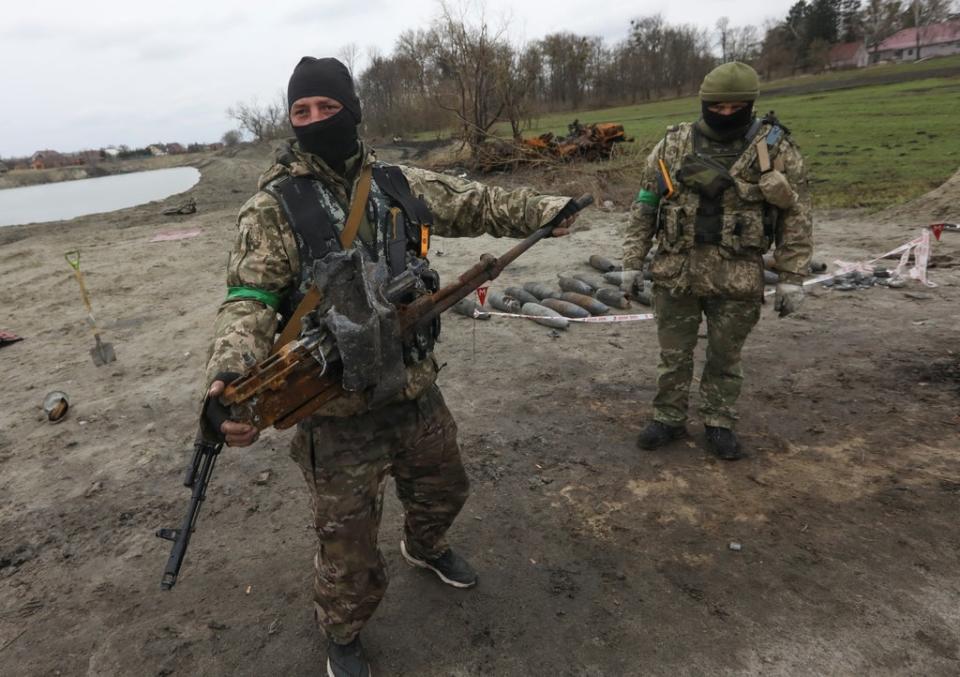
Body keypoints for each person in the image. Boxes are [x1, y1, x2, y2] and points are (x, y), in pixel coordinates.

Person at [201, 56, 578, 677]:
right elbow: (250, 300)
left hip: (411, 389)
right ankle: (343, 634)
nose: (316, 119)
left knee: (445, 486)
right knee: (348, 549)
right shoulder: (271, 209)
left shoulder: (396, 184)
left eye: (327, 107)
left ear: (352, 110)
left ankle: (425, 546)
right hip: (337, 410)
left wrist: (547, 210)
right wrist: (227, 377)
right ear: (290, 119)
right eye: (302, 111)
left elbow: (475, 203)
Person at [622, 61, 812, 461]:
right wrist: (631, 260)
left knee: (726, 357)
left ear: (750, 104)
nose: (726, 114)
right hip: (677, 271)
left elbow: (796, 215)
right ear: (704, 103)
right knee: (673, 356)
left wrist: (793, 275)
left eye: (735, 107)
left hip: (737, 275)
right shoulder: (673, 145)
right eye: (718, 107)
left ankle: (718, 420)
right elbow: (645, 206)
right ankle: (668, 417)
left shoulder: (774, 149)